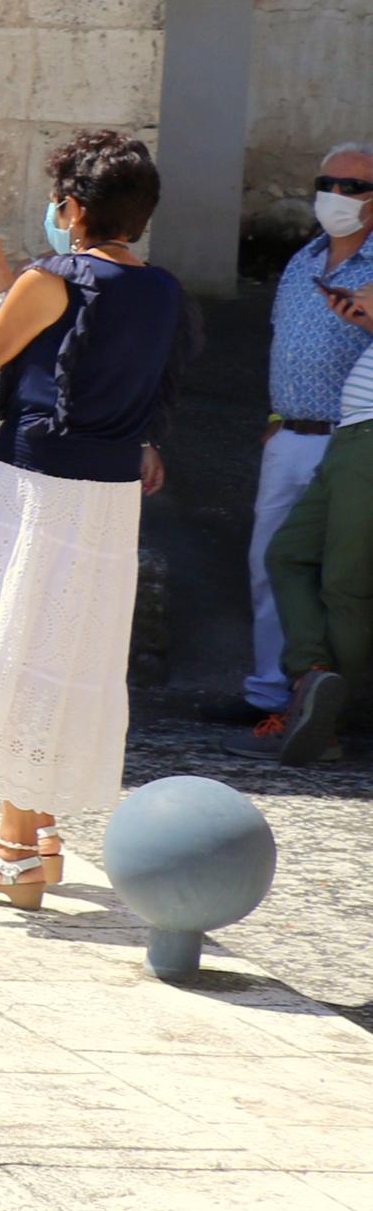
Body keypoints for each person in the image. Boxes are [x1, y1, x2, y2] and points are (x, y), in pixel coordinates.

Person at [0, 132, 190, 912]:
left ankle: (10, 852)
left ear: (69, 207)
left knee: (19, 644)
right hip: (105, 502)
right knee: (67, 654)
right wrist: (5, 271)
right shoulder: (160, 288)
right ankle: (37, 837)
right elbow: (70, 330)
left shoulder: (52, 277)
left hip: (38, 488)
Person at [240, 143, 373, 731]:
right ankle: (270, 693)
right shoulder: (301, 262)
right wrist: (274, 420)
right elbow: (280, 344)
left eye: (353, 188)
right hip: (290, 434)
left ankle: (327, 706)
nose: (336, 197)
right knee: (272, 563)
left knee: (338, 575)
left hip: (351, 438)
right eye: (329, 183)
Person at [258, 328, 373, 762]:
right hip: (352, 437)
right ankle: (312, 678)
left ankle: (324, 726)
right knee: (287, 554)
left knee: (347, 586)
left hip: (367, 440)